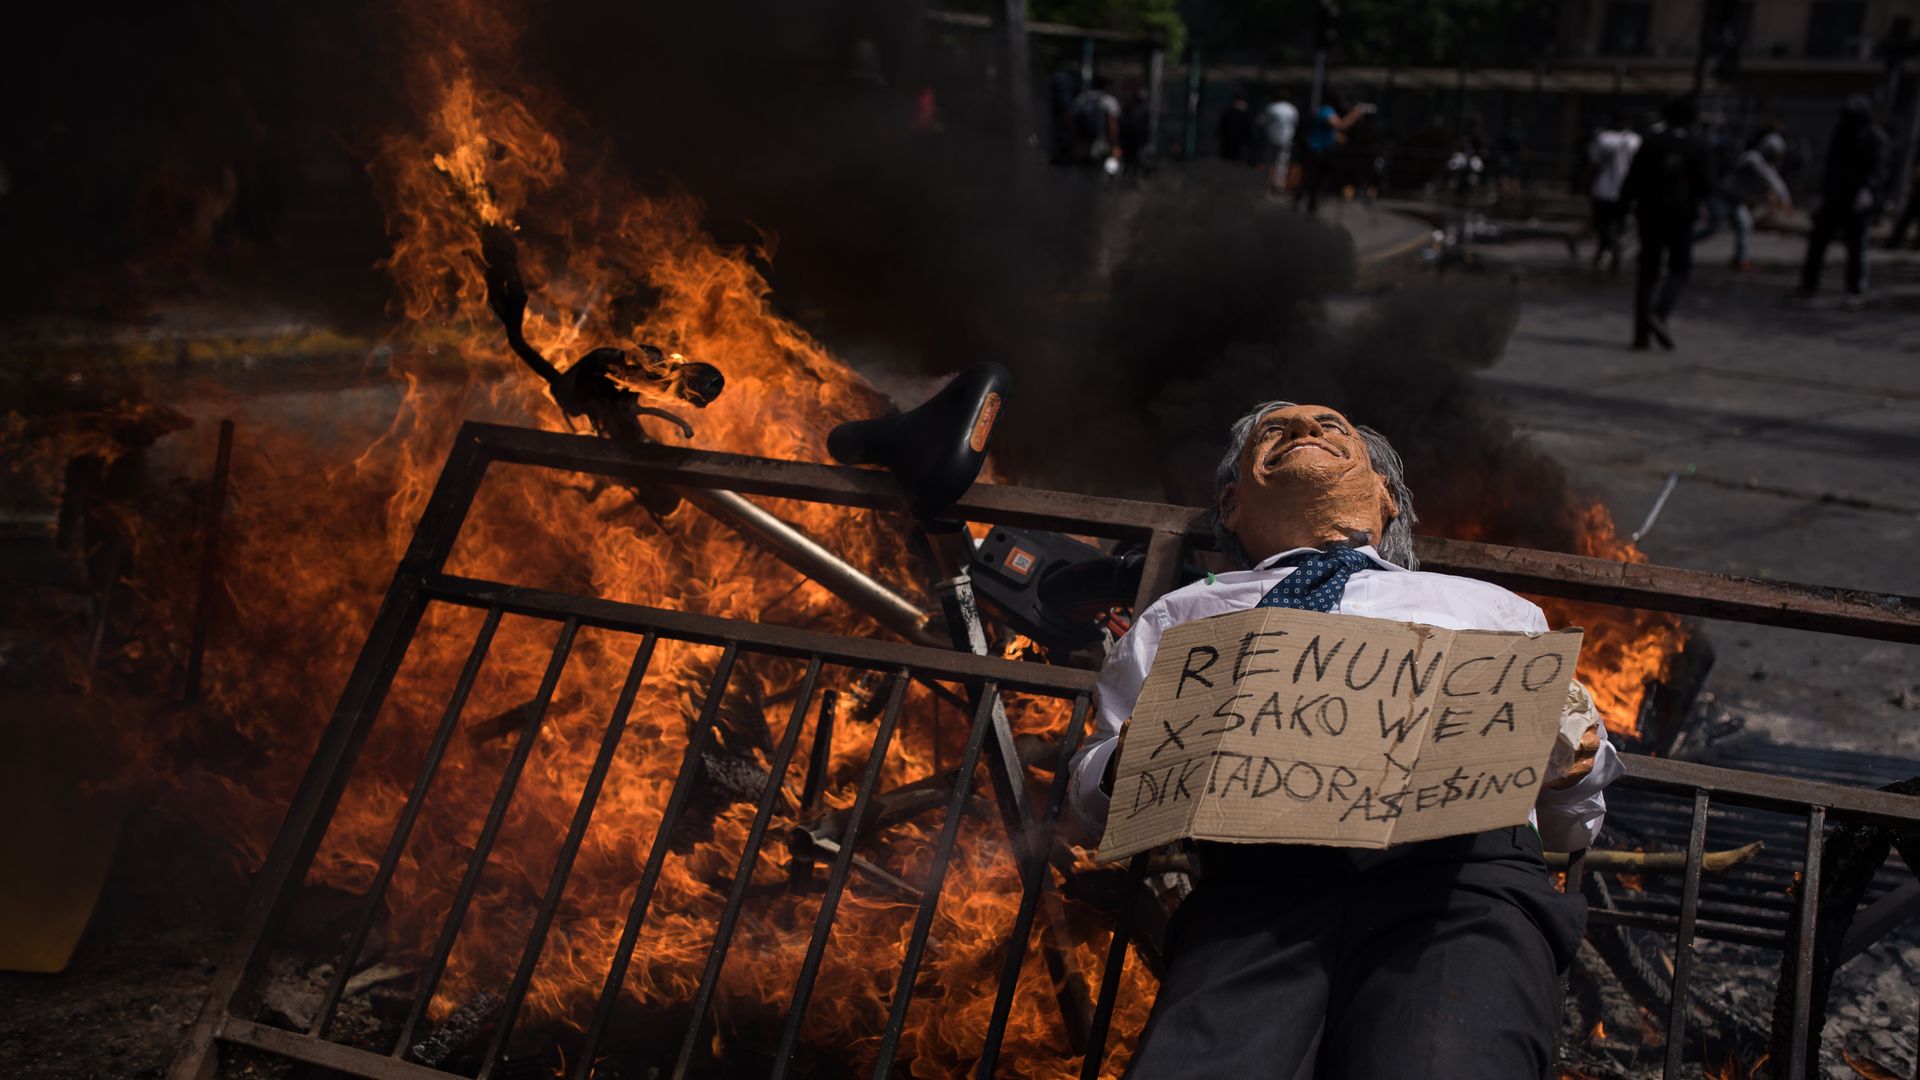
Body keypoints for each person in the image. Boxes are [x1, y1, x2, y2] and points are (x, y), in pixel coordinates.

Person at [1067, 402, 1618, 1080]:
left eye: (1333, 427)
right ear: (1232, 506)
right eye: (1275, 432)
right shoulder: (1184, 616)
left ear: (1387, 497)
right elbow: (1090, 807)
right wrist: (1136, 759)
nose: (1304, 428)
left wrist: (1575, 763)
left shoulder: (1491, 608)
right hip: (1259, 885)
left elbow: (1572, 819)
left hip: (1456, 885)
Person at [1620, 96, 1711, 350]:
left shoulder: (1652, 142)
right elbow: (1706, 184)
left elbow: (1633, 179)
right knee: (1679, 269)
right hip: (1681, 216)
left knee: (1647, 273)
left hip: (1650, 214)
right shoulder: (1698, 144)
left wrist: (1624, 207)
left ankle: (1641, 335)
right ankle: (1660, 313)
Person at [1797, 95, 1890, 308]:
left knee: (1857, 248)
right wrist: (1822, 193)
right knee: (1817, 243)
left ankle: (1855, 290)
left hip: (1857, 203)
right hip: (1833, 198)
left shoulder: (1875, 138)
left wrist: (1869, 190)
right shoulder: (1841, 134)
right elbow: (1831, 165)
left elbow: (1880, 169)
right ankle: (1808, 285)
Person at [1694, 133, 1790, 270]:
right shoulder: (1752, 158)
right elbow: (1768, 176)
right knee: (1713, 228)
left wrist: (1784, 197)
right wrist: (1781, 195)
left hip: (1736, 199)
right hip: (1722, 195)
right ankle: (1683, 242)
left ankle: (1740, 259)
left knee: (1744, 225)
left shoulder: (1766, 165)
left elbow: (1774, 180)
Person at [1295, 96, 1375, 214]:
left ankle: (1310, 204)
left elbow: (1333, 131)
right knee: (1311, 179)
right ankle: (1301, 202)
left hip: (1323, 150)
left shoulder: (1328, 112)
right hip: (1315, 150)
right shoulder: (1326, 110)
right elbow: (1340, 125)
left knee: (1318, 179)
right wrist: (1354, 115)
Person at [1587, 113, 1642, 273]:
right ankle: (1604, 250)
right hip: (1626, 189)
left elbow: (1593, 163)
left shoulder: (1604, 138)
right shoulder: (1636, 140)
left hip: (1603, 189)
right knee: (1616, 222)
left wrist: (1585, 183)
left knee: (1602, 223)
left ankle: (1613, 248)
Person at [1071, 76, 1124, 172]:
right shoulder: (1109, 101)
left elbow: (1073, 123)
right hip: (1101, 147)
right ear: (1106, 87)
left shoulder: (1081, 99)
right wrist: (1115, 146)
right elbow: (1113, 126)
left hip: (1082, 147)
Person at [1260, 91, 1300, 197]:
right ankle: (1279, 186)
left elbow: (1265, 122)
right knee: (1282, 163)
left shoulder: (1272, 107)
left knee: (1269, 161)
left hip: (1271, 137)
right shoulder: (1292, 109)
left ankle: (1267, 184)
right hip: (1286, 138)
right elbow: (1295, 123)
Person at [1217, 92, 1253, 163]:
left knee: (1228, 151)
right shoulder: (1246, 110)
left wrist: (1220, 132)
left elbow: (1223, 122)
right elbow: (1248, 125)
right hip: (1240, 135)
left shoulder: (1230, 109)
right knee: (1237, 151)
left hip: (1229, 134)